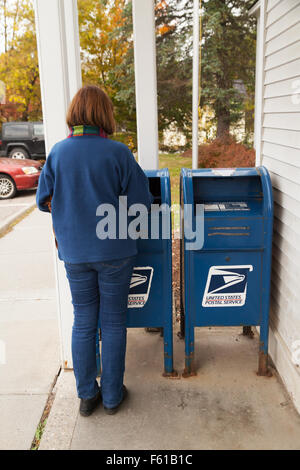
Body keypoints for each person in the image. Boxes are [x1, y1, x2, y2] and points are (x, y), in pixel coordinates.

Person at [36, 85, 153, 417]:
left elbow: (43, 200)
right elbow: (142, 203)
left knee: (84, 320)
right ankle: (113, 397)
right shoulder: (118, 153)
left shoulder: (58, 153)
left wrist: (69, 210)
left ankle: (88, 396)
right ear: (104, 115)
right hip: (116, 251)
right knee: (114, 322)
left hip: (75, 253)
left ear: (75, 114)